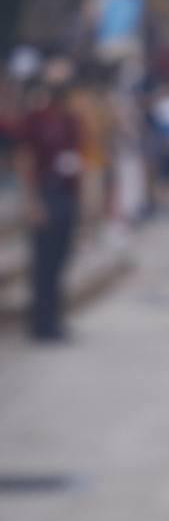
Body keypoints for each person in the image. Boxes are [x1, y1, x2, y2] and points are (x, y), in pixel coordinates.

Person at [15, 62, 83, 342]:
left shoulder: (70, 120)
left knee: (60, 259)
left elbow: (78, 160)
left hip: (66, 194)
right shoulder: (36, 118)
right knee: (43, 263)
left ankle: (55, 317)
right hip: (45, 193)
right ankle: (40, 322)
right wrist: (31, 202)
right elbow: (25, 159)